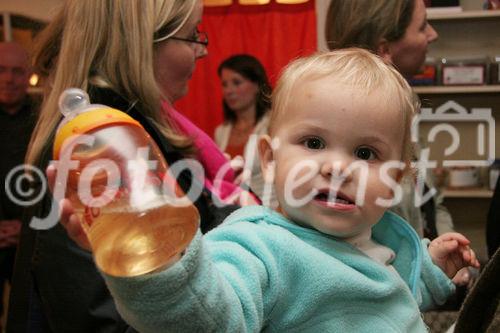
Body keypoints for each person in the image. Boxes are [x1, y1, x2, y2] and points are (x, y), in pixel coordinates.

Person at [64, 49, 480, 332]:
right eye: (314, 143)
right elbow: (206, 317)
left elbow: (384, 291)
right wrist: (157, 262)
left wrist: (426, 267)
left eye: (366, 152)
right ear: (270, 158)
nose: (336, 167)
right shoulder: (257, 245)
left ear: (398, 178)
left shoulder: (372, 238)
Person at [7, 1, 249, 332]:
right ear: (140, 43)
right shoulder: (98, 144)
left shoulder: (128, 131)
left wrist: (227, 207)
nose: (201, 51)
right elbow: (98, 316)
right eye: (192, 35)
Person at [325, 0, 456, 241]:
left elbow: (428, 199)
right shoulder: (344, 118)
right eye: (422, 26)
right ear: (385, 50)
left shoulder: (405, 103)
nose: (432, 34)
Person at [0, 41, 37, 331]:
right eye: (1, 70)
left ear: (29, 75)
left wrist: (23, 227)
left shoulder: (44, 119)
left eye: (17, 71)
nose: (8, 78)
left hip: (32, 241)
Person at [214, 54, 274, 205]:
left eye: (236, 82)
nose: (229, 91)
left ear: (256, 85)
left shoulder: (273, 124)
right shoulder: (221, 132)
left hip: (270, 211)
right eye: (224, 84)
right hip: (235, 213)